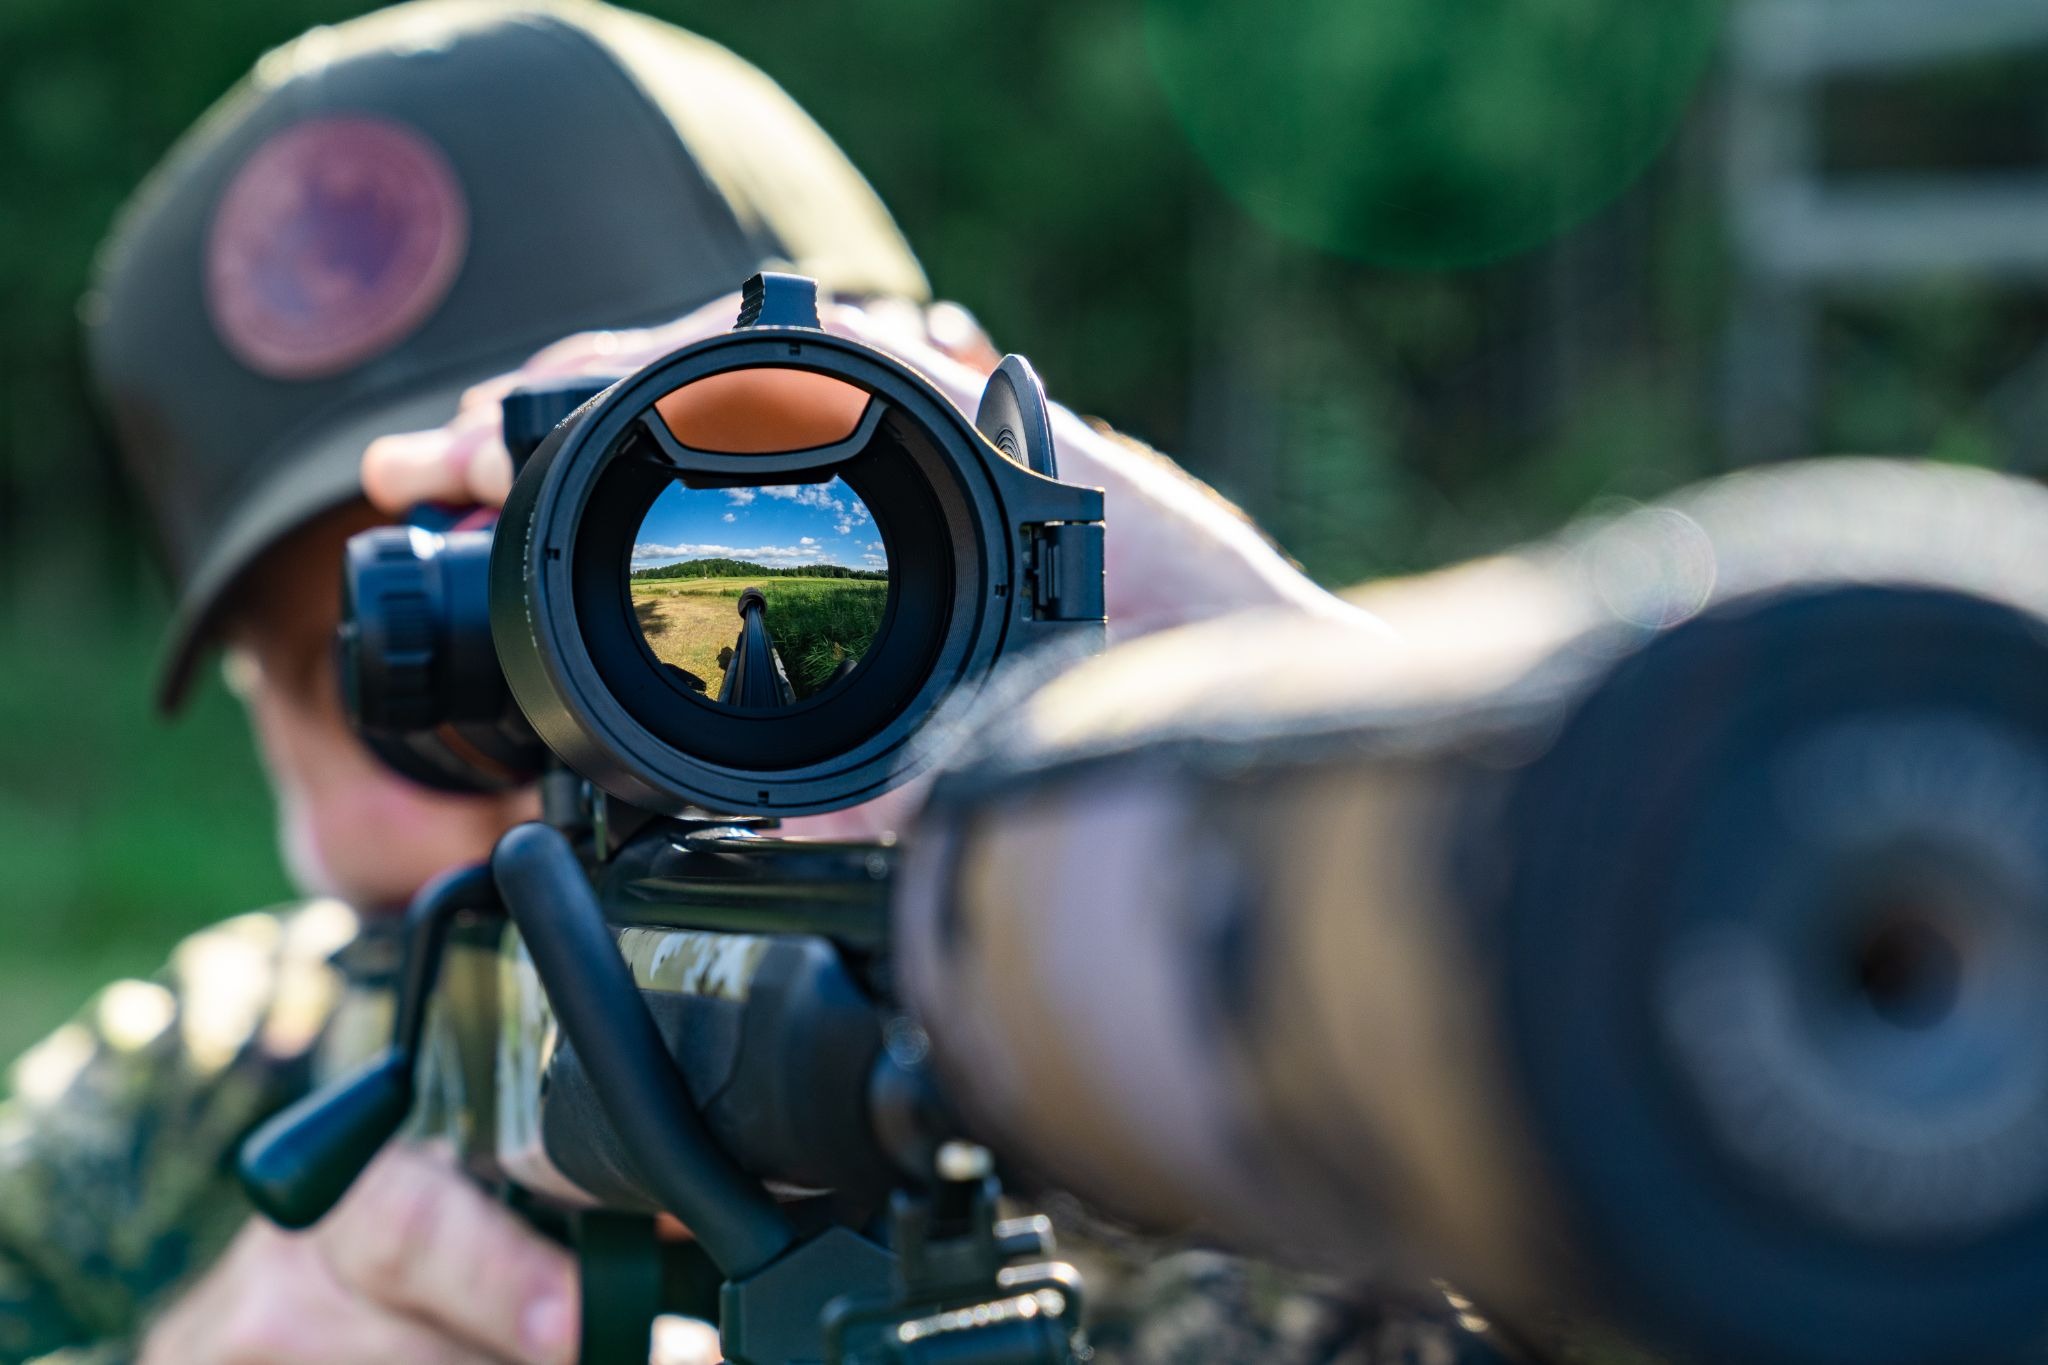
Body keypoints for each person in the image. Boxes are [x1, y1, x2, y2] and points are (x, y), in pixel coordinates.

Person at [0, 3, 1455, 1362]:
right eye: (426, 651)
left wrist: (1338, 773)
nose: (564, 744)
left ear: (994, 507)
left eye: (618, 593)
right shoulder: (196, 1102)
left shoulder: (1306, 1134)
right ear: (268, 709)